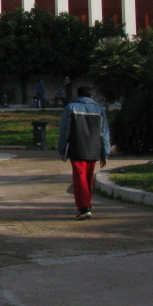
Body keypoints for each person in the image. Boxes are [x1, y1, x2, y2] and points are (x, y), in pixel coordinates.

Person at [57, 86, 111, 220]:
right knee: (88, 177)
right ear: (91, 96)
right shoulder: (99, 110)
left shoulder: (70, 108)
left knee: (79, 177)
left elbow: (64, 131)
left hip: (77, 148)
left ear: (78, 95)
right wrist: (105, 153)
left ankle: (84, 207)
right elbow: (104, 133)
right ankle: (87, 205)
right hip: (94, 148)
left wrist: (62, 149)